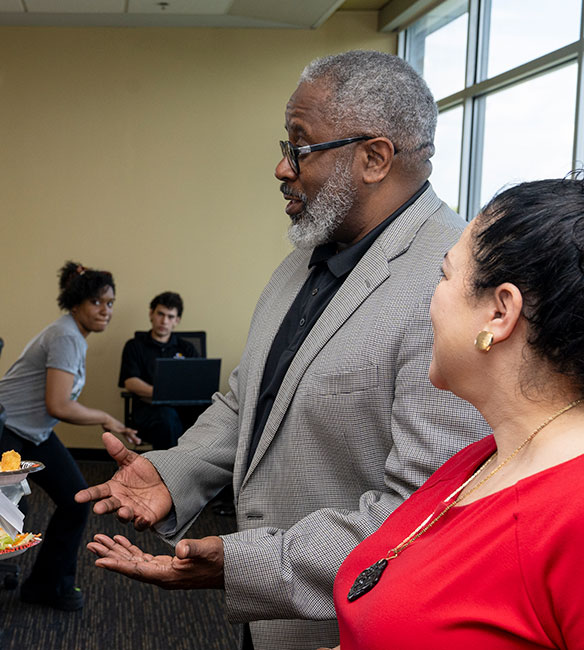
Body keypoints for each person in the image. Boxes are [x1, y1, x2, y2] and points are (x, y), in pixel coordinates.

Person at [78, 50, 490, 650]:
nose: (281, 166)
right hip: (270, 621)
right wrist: (173, 471)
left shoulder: (451, 282)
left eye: (301, 146)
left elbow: (417, 513)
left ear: (374, 158)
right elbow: (249, 401)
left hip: (347, 625)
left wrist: (244, 564)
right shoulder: (305, 258)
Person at [329, 177, 584, 648]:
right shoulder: (481, 459)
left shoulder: (573, 515)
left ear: (499, 312)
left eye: (444, 275)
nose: (432, 300)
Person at [0, 261, 139, 612]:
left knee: (77, 500)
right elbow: (59, 405)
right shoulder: (67, 335)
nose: (106, 311)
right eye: (97, 303)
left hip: (32, 431)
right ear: (76, 303)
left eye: (110, 303)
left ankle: (46, 585)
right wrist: (104, 417)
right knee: (2, 513)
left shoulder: (71, 334)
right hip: (7, 430)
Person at [118, 291, 200, 449]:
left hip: (184, 408)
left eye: (170, 316)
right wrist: (162, 394)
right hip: (148, 409)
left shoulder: (187, 348)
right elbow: (130, 382)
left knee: (210, 413)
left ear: (177, 320)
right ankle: (167, 470)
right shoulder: (134, 346)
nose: (164, 321)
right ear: (151, 314)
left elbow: (197, 381)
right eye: (160, 314)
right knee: (167, 418)